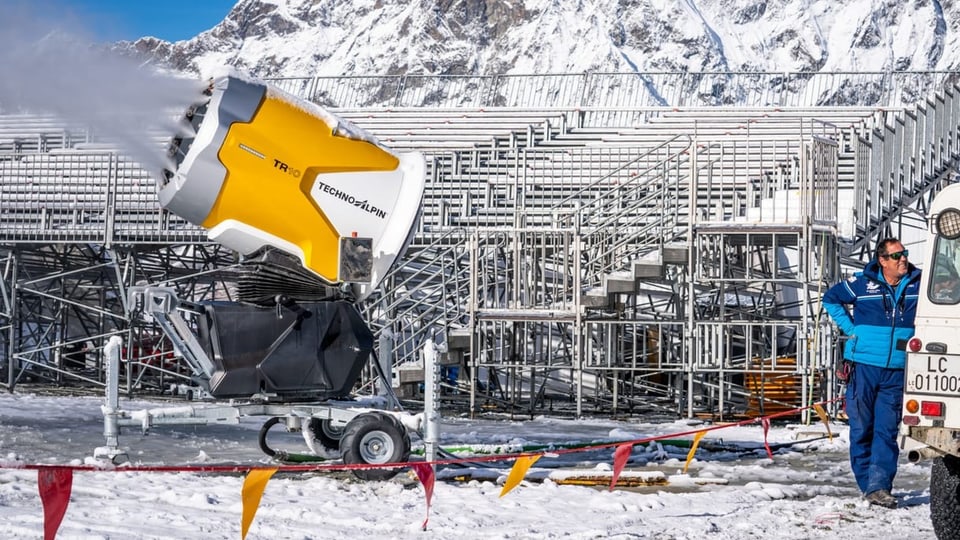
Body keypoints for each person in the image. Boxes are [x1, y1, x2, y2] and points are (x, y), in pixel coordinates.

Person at [822, 237, 921, 509]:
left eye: (905, 254)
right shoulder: (862, 284)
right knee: (862, 428)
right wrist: (851, 329)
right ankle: (867, 484)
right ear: (882, 260)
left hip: (898, 368)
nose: (903, 259)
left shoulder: (919, 284)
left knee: (886, 431)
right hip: (863, 366)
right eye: (896, 255)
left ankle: (879, 486)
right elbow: (830, 299)